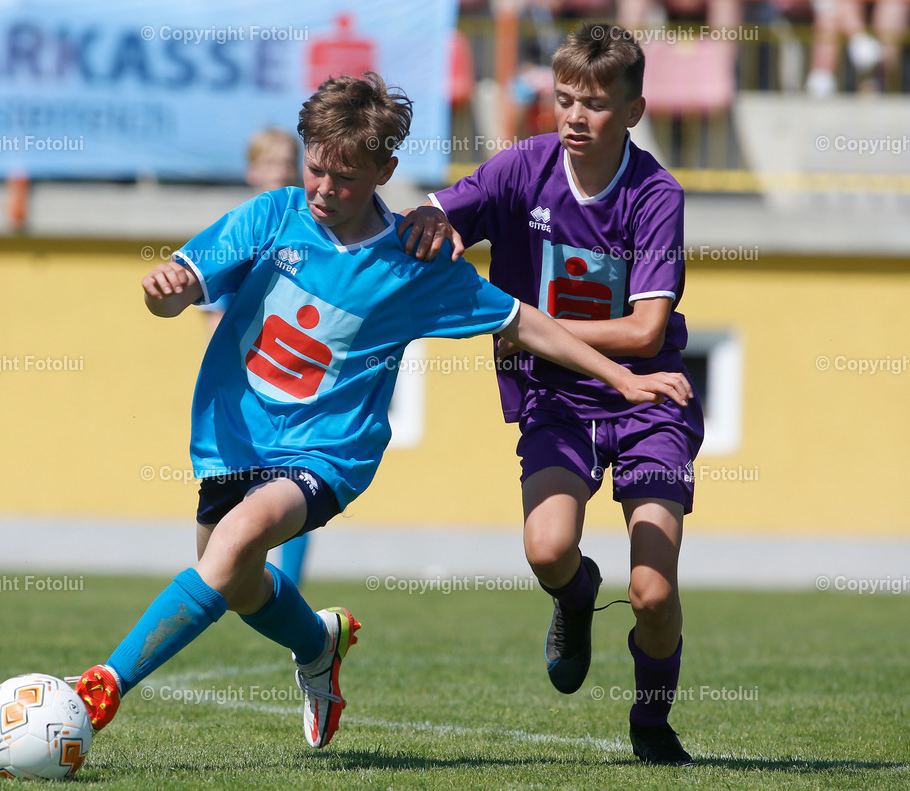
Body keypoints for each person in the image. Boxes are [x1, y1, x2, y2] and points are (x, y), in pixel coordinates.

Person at [70, 71, 693, 752]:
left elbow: (524, 323)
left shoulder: (413, 265)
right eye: (316, 168)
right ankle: (318, 644)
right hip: (236, 441)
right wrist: (166, 289)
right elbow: (180, 286)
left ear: (384, 169)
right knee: (240, 583)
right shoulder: (272, 215)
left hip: (328, 453)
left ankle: (103, 686)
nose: (324, 189)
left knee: (240, 537)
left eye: (344, 177)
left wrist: (622, 379)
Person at [398, 22, 704, 766]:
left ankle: (651, 717)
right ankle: (575, 595)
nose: (574, 116)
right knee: (548, 548)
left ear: (632, 111)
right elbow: (437, 216)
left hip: (646, 399)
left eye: (595, 104)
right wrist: (426, 221)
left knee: (654, 594)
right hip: (556, 400)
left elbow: (642, 330)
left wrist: (524, 323)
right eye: (564, 98)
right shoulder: (520, 168)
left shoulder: (656, 193)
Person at [197, 126, 312, 589]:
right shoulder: (238, 234)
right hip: (247, 392)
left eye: (288, 162)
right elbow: (213, 318)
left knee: (300, 486)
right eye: (270, 163)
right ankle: (255, 586)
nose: (281, 172)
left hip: (302, 390)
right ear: (251, 171)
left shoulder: (316, 230)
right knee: (222, 540)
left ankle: (293, 589)